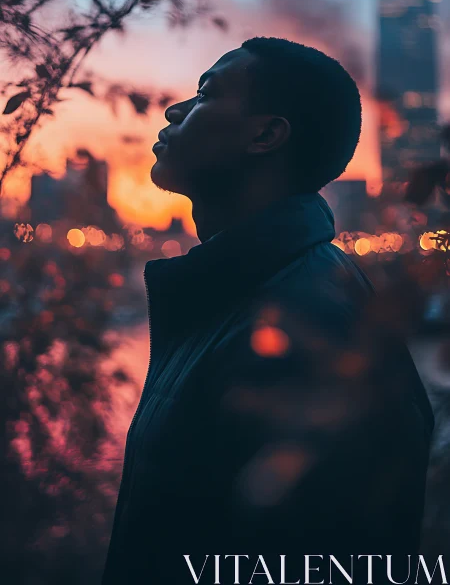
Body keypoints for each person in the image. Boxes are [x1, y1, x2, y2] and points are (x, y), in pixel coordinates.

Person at [101, 37, 434, 585]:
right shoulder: (247, 293)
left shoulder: (306, 328)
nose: (174, 110)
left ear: (265, 135)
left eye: (205, 94)